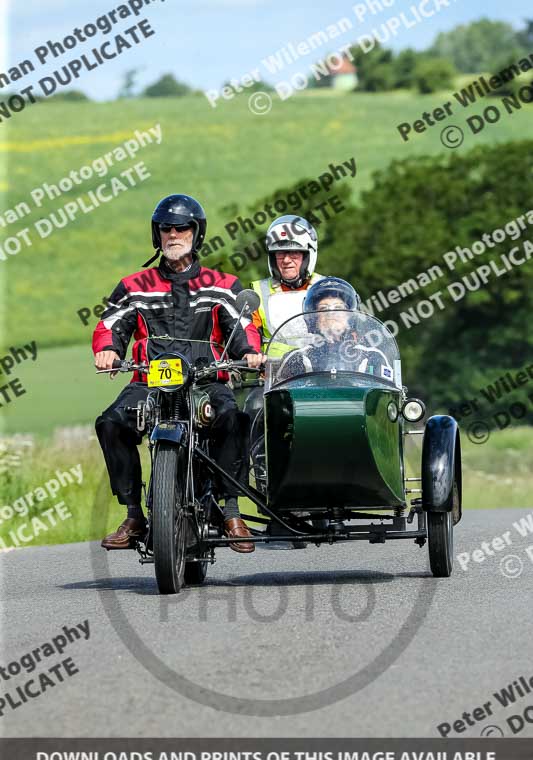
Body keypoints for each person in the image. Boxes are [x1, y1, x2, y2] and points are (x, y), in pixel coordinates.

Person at [93, 194, 264, 554]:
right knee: (110, 423)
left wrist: (249, 352)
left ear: (196, 232)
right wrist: (108, 349)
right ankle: (134, 514)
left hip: (206, 380)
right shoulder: (134, 285)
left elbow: (243, 326)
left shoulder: (222, 284)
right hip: (149, 382)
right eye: (166, 228)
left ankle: (232, 511)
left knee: (233, 418)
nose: (173, 234)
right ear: (156, 234)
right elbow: (110, 324)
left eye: (182, 227)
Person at [276, 277, 393, 382]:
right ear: (314, 319)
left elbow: (386, 394)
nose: (331, 313)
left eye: (338, 307)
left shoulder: (372, 356)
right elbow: (280, 395)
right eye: (323, 308)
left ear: (350, 317)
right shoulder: (298, 357)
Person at [251, 215, 325, 346]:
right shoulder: (258, 292)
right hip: (271, 360)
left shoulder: (327, 288)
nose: (286, 260)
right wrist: (250, 352)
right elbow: (249, 336)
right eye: (280, 253)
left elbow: (346, 330)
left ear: (307, 255)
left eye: (294, 252)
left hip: (320, 359)